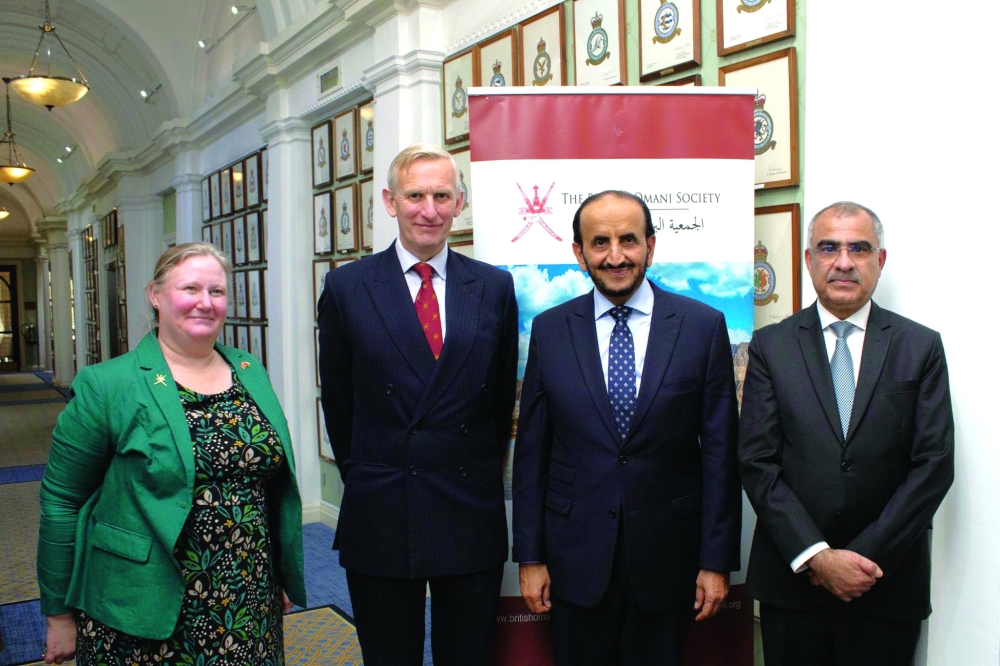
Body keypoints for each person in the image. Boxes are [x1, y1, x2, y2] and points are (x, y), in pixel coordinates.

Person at [38, 242, 306, 665]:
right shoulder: (108, 385)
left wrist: (284, 571)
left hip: (247, 596)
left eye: (216, 292)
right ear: (156, 295)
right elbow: (61, 502)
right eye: (190, 289)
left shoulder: (250, 371)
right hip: (143, 603)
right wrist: (58, 614)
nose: (205, 302)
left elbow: (270, 487)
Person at [512, 191, 742, 666]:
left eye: (628, 240)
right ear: (578, 253)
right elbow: (533, 453)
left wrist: (716, 561)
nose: (615, 256)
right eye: (600, 242)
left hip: (668, 561)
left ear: (651, 246)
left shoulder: (702, 327)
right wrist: (530, 557)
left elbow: (721, 455)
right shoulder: (551, 331)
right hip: (574, 561)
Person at [317, 143, 518, 665]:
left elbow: (499, 400)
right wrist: (367, 472)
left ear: (459, 203)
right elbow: (339, 400)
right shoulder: (347, 287)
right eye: (415, 196)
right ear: (389, 201)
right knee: (389, 656)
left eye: (442, 196)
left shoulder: (493, 287)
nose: (429, 210)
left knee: (469, 655)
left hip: (468, 502)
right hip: (382, 501)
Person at [738, 202, 954, 665]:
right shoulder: (771, 347)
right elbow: (757, 463)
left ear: (880, 260)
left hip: (886, 584)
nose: (843, 261)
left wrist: (863, 560)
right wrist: (818, 556)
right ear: (808, 259)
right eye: (829, 248)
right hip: (793, 584)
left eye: (859, 248)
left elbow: (933, 466)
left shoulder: (920, 347)